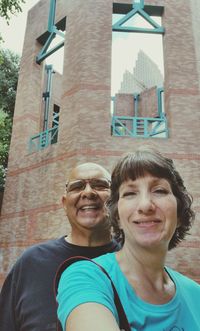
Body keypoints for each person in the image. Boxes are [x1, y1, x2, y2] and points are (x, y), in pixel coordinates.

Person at [57, 146, 200, 331]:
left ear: (179, 214)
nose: (145, 205)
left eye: (159, 190)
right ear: (117, 217)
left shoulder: (195, 294)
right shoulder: (86, 278)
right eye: (130, 193)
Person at [0, 162, 120, 331]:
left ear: (116, 199)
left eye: (100, 185)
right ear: (64, 203)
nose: (88, 192)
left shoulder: (133, 261)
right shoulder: (31, 263)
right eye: (77, 187)